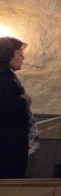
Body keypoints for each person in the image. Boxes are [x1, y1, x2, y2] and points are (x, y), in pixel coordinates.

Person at [0, 37, 32, 179]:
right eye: (20, 53)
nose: (23, 58)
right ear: (7, 54)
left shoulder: (8, 77)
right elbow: (7, 107)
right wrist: (24, 100)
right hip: (6, 147)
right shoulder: (3, 78)